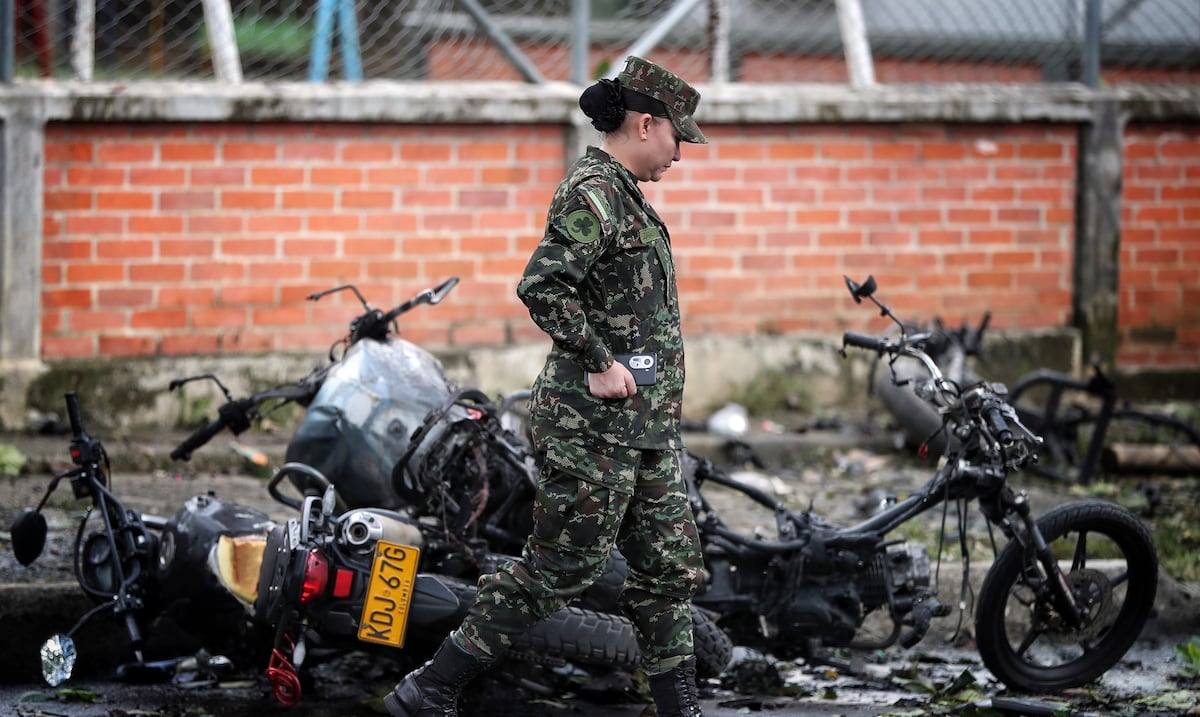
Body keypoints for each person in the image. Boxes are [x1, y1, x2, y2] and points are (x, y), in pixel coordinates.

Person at [384, 55, 709, 717]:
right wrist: (596, 357)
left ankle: (682, 709)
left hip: (643, 429)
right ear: (647, 124)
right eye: (680, 137)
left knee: (668, 572)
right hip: (590, 426)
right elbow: (543, 284)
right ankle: (430, 686)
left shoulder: (626, 197)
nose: (682, 153)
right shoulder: (593, 193)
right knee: (561, 567)